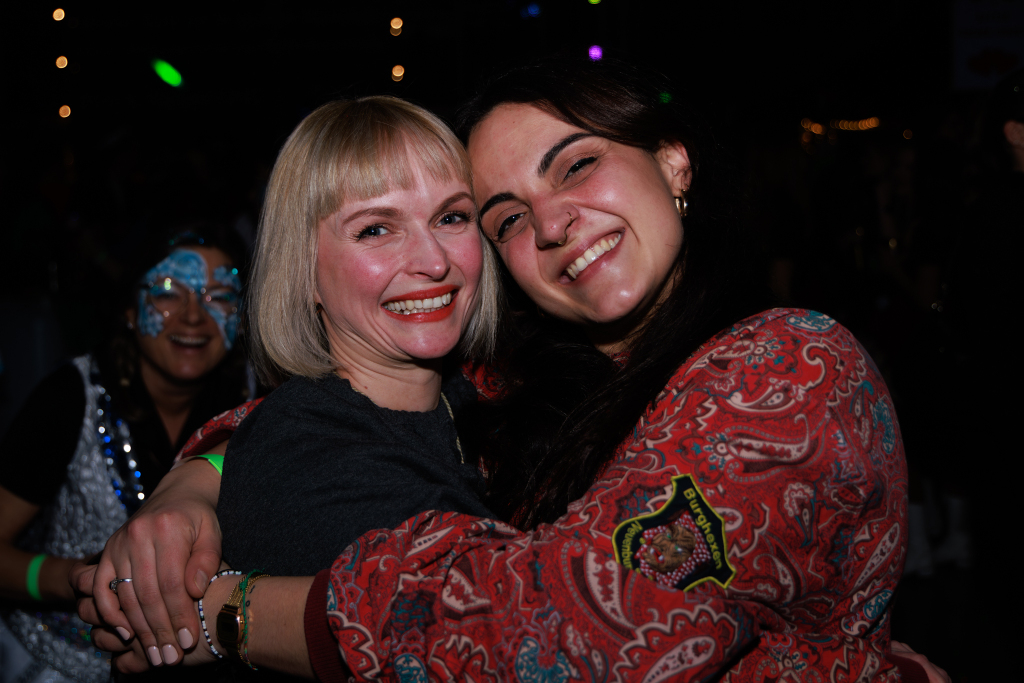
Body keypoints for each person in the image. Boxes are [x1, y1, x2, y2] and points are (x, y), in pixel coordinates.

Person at [76, 60, 944, 681]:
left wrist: (226, 611)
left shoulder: (791, 363)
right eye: (506, 215)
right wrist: (201, 475)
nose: (556, 221)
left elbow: (583, 629)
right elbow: (327, 426)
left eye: (576, 164)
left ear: (673, 162)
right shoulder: (527, 389)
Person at [0, 227, 250, 683]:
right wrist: (77, 579)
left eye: (219, 297)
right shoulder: (71, 398)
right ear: (133, 311)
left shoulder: (259, 409)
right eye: (168, 294)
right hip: (56, 664)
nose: (194, 316)